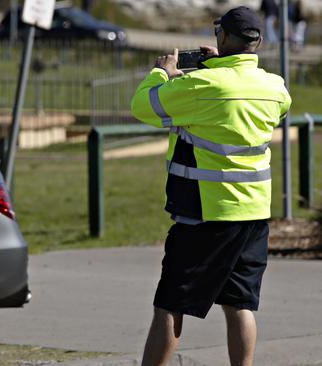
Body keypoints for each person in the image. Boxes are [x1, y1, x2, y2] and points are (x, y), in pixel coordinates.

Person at [130, 6, 291, 366]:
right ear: (259, 42)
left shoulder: (201, 86)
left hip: (204, 213)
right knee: (240, 304)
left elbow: (144, 106)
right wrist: (224, 64)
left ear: (221, 36)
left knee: (170, 305)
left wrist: (162, 72)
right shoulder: (274, 87)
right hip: (253, 215)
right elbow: (266, 104)